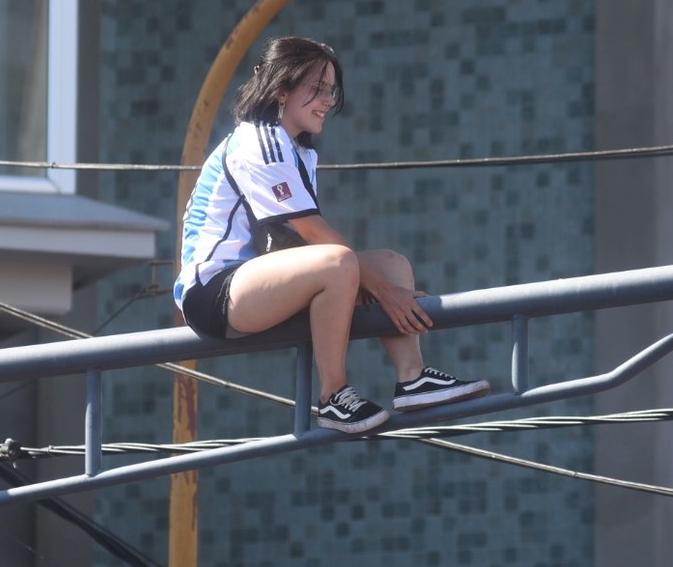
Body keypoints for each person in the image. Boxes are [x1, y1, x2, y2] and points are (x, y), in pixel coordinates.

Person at [174, 36, 489, 433]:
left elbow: (299, 243)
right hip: (214, 294)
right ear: (281, 89)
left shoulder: (299, 151)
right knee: (341, 261)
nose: (328, 100)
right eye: (317, 89)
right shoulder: (260, 142)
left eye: (332, 90)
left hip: (259, 282)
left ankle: (413, 378)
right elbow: (314, 235)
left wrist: (380, 284)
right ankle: (334, 397)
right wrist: (386, 295)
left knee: (390, 263)